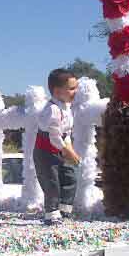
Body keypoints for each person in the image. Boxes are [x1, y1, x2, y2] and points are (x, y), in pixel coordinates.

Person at [34, 69, 81, 226]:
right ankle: (52, 213)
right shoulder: (52, 110)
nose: (76, 91)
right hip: (46, 151)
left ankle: (64, 209)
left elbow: (65, 133)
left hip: (61, 148)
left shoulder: (66, 108)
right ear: (57, 91)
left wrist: (70, 148)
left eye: (76, 87)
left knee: (70, 176)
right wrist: (66, 150)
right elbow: (54, 136)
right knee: (51, 181)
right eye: (72, 88)